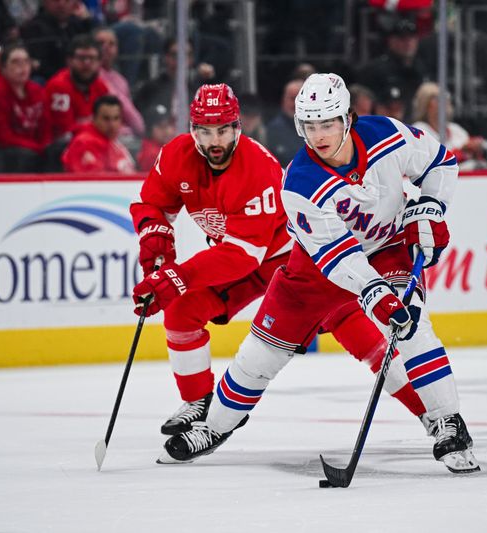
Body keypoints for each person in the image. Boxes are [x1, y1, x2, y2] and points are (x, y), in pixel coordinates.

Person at [160, 73, 480, 475]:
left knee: (411, 324)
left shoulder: (387, 134)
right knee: (260, 354)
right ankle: (215, 426)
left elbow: (439, 163)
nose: (318, 135)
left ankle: (446, 421)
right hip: (315, 269)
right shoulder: (299, 183)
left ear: (348, 118)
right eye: (309, 125)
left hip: (388, 249)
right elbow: (337, 256)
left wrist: (430, 207)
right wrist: (373, 291)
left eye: (327, 123)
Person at [129, 83, 428, 437]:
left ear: (238, 127)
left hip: (299, 262)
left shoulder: (257, 167)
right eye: (204, 130)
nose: (214, 140)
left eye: (223, 129)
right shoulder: (176, 156)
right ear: (191, 129)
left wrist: (175, 278)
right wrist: (154, 234)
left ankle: (432, 415)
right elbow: (152, 203)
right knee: (182, 312)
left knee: (367, 343)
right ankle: (199, 404)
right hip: (243, 260)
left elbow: (242, 256)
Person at [0, 42, 52, 173]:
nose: (22, 67)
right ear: (3, 68)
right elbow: (1, 137)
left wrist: (45, 148)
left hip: (27, 150)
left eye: (26, 61)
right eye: (15, 62)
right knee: (25, 157)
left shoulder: (38, 91)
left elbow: (45, 129)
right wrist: (38, 148)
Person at [411, 82, 487, 170]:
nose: (444, 101)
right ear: (425, 104)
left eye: (446, 97)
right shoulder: (418, 130)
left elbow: (477, 154)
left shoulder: (456, 130)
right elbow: (430, 163)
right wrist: (461, 152)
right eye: (436, 98)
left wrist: (476, 147)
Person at [44, 33, 109, 141]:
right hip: (62, 146)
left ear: (99, 62)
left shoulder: (101, 87)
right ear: (69, 61)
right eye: (81, 58)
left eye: (92, 58)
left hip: (92, 140)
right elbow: (64, 131)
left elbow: (108, 122)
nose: (87, 63)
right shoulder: (58, 86)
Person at [19, 0, 96, 82]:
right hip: (50, 79)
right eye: (56, 0)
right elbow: (41, 65)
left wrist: (87, 23)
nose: (61, 4)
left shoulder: (77, 24)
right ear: (45, 3)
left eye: (66, 1)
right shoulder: (35, 28)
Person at [61, 94, 136, 173]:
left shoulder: (114, 142)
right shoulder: (83, 143)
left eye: (116, 118)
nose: (112, 124)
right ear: (94, 118)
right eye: (106, 119)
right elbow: (94, 182)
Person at [94, 26, 144, 138]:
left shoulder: (121, 80)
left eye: (111, 44)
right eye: (100, 43)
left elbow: (130, 118)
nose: (106, 47)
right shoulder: (89, 76)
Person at [264, 78, 304, 167]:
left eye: (300, 99)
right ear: (283, 100)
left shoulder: (318, 129)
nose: (296, 104)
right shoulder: (272, 130)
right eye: (292, 98)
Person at [137, 103, 175, 173]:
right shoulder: (152, 154)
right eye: (161, 126)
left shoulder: (162, 147)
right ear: (149, 129)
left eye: (169, 125)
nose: (168, 131)